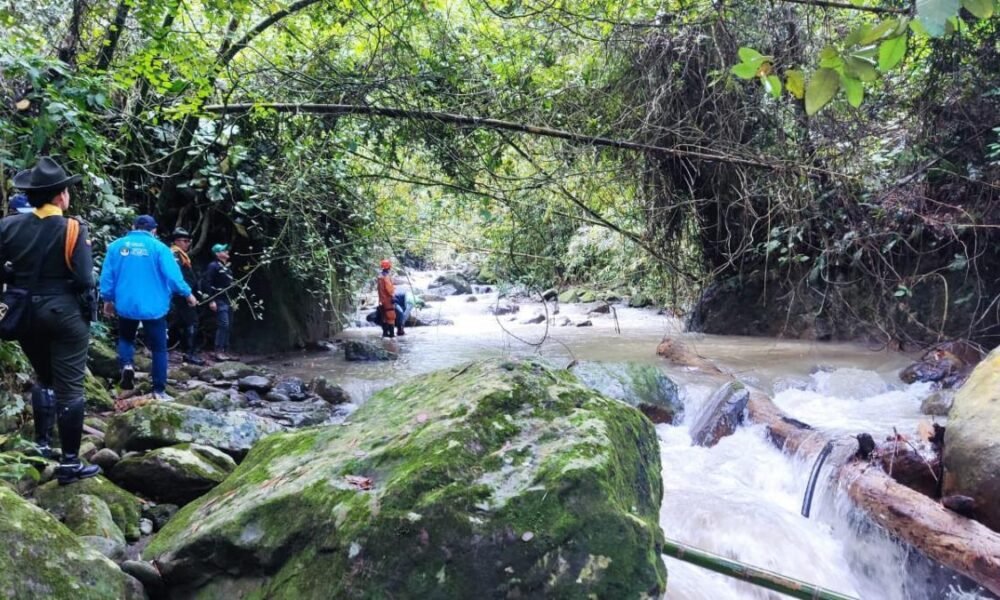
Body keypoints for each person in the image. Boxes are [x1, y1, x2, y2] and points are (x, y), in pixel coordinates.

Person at [0, 156, 100, 484]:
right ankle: (70, 463)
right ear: (60, 196)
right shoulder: (73, 227)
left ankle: (42, 446)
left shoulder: (7, 226)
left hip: (25, 313)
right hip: (64, 314)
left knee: (44, 379)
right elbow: (85, 279)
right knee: (70, 388)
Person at [99, 215, 196, 401]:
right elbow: (174, 277)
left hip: (126, 304)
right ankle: (158, 390)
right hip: (154, 307)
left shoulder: (116, 246)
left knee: (126, 338)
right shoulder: (160, 248)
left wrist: (108, 300)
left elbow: (107, 277)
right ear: (154, 230)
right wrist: (188, 294)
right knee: (159, 349)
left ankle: (127, 365)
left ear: (133, 226)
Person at [168, 227, 205, 365]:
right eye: (185, 241)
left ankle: (181, 350)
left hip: (184, 293)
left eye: (189, 241)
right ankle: (189, 354)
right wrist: (187, 293)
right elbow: (176, 276)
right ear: (176, 241)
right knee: (192, 321)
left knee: (179, 322)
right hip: (181, 294)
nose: (188, 243)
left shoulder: (181, 254)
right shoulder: (174, 254)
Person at [204, 243, 234, 360]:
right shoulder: (213, 266)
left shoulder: (227, 267)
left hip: (228, 299)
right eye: (223, 250)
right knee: (224, 324)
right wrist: (211, 300)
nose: (227, 251)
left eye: (227, 250)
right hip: (219, 299)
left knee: (229, 324)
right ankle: (218, 351)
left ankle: (226, 350)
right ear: (217, 254)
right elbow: (208, 282)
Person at [376, 259, 396, 338]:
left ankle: (385, 334)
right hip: (388, 300)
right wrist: (393, 295)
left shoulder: (380, 277)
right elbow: (389, 289)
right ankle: (391, 335)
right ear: (389, 267)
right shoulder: (386, 277)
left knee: (384, 317)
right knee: (391, 317)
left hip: (382, 300)